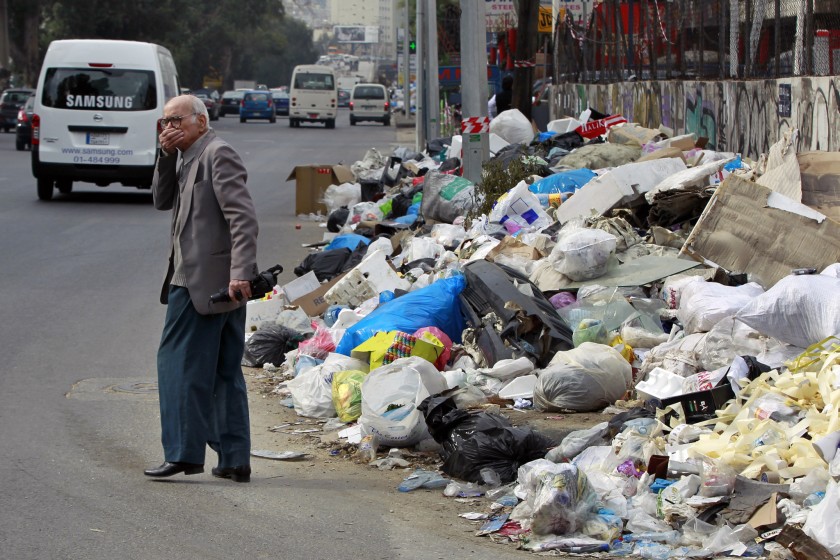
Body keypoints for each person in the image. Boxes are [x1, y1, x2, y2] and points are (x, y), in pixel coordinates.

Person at [144, 95, 259, 483]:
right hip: (214, 283)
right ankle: (233, 459)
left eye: (176, 120)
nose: (169, 128)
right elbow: (161, 201)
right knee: (224, 372)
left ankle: (183, 454)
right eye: (164, 123)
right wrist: (164, 157)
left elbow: (242, 217)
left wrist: (241, 273)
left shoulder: (217, 154)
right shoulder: (187, 156)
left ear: (201, 121)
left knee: (177, 368)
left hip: (205, 285)